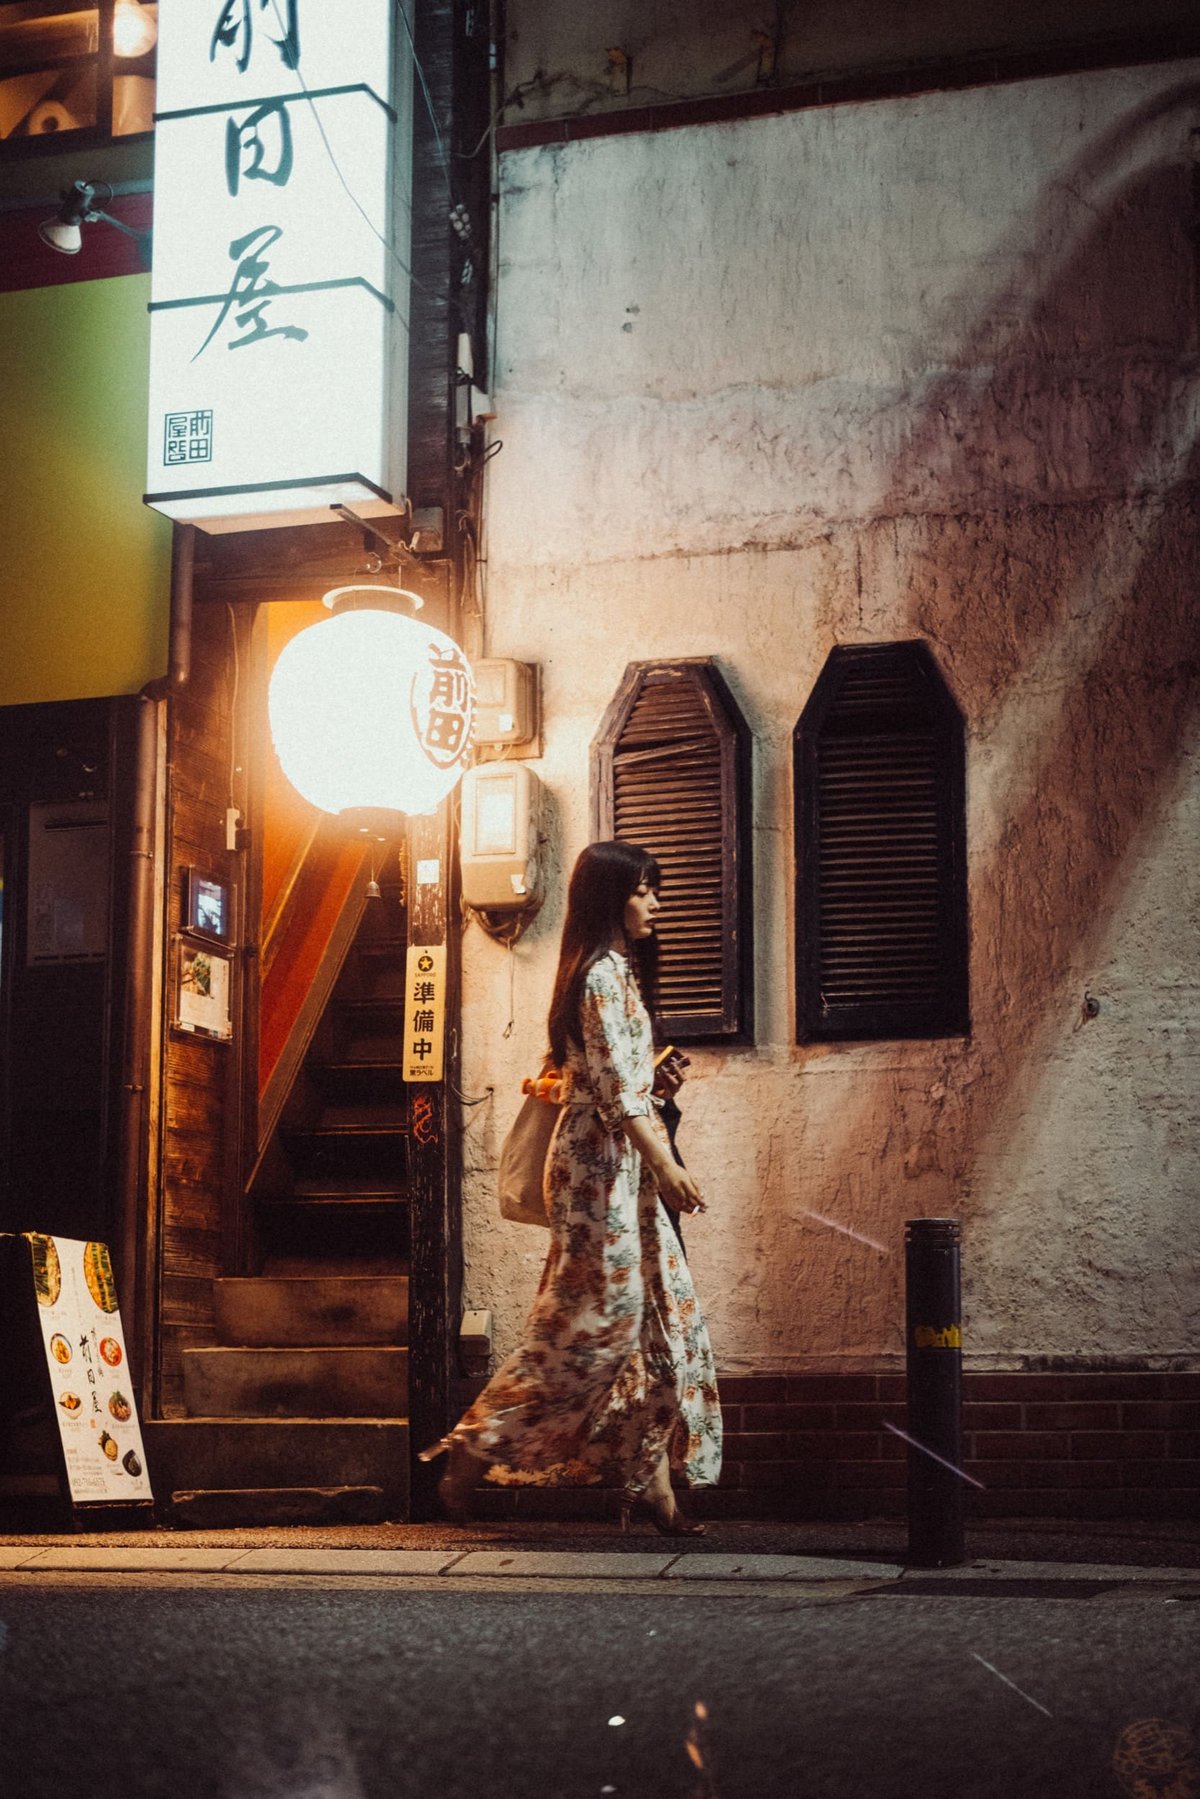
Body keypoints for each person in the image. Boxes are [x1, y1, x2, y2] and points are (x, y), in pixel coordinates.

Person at [421, 839, 723, 1532]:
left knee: (646, 1322)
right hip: (598, 1169)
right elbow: (616, 1094)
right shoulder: (598, 976)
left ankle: (656, 1491)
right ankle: (467, 1459)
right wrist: (669, 1163)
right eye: (645, 890)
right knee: (588, 1330)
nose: (657, 903)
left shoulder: (615, 973)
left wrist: (656, 1082)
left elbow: (617, 1080)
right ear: (610, 897)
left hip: (616, 1166)